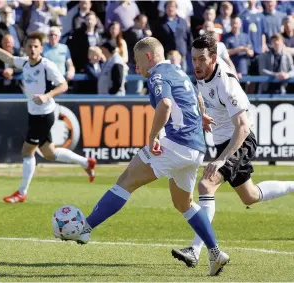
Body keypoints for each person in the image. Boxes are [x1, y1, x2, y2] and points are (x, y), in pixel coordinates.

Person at [57, 36, 230, 276]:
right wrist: (200, 117)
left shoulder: (158, 75)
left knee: (126, 180)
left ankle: (84, 227)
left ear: (149, 57)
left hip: (177, 143)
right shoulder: (177, 70)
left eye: (138, 62)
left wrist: (152, 137)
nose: (136, 68)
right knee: (184, 203)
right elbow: (195, 96)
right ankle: (215, 252)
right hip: (196, 148)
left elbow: (166, 105)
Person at [171, 34, 294, 268]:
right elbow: (217, 60)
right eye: (193, 59)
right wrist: (202, 113)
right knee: (250, 195)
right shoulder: (206, 67)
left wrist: (221, 160)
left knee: (206, 184)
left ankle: (197, 250)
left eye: (201, 60)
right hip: (221, 141)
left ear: (213, 58)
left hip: (241, 140)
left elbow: (243, 127)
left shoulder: (226, 83)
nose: (196, 64)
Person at [0, 32, 97, 203]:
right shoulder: (25, 63)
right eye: (30, 46)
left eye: (36, 46)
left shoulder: (47, 65)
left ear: (41, 48)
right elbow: (9, 58)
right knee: (49, 153)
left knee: (27, 151)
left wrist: (47, 96)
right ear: (25, 48)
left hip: (44, 114)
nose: (32, 49)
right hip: (35, 114)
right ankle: (87, 162)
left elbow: (63, 85)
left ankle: (22, 192)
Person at [152, 0, 192, 72]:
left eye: (173, 7)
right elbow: (155, 40)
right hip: (166, 56)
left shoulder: (183, 21)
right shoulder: (160, 23)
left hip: (181, 56)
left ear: (176, 8)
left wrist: (190, 51)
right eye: (168, 7)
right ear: (165, 9)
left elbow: (189, 37)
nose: (171, 9)